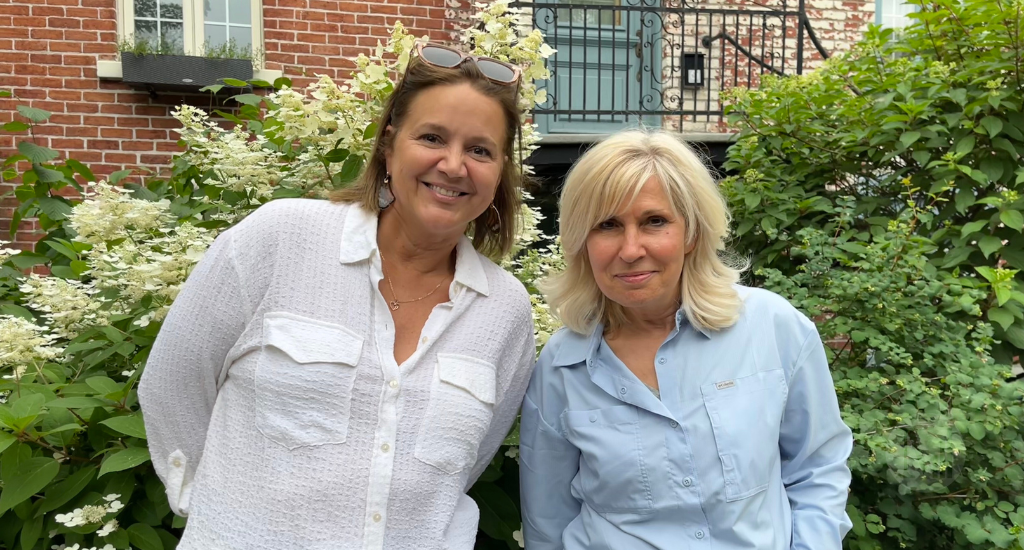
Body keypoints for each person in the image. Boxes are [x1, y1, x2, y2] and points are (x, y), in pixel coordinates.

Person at [139, 41, 537, 550]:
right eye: (432, 137)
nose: (454, 165)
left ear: (500, 170)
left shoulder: (505, 309)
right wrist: (219, 516)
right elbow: (173, 385)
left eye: (480, 150)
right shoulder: (280, 239)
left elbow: (463, 466)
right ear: (389, 146)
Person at [519, 129, 852, 549]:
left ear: (692, 232)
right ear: (582, 242)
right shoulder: (561, 367)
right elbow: (547, 522)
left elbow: (818, 469)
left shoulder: (773, 328)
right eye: (607, 225)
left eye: (654, 221)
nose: (630, 248)